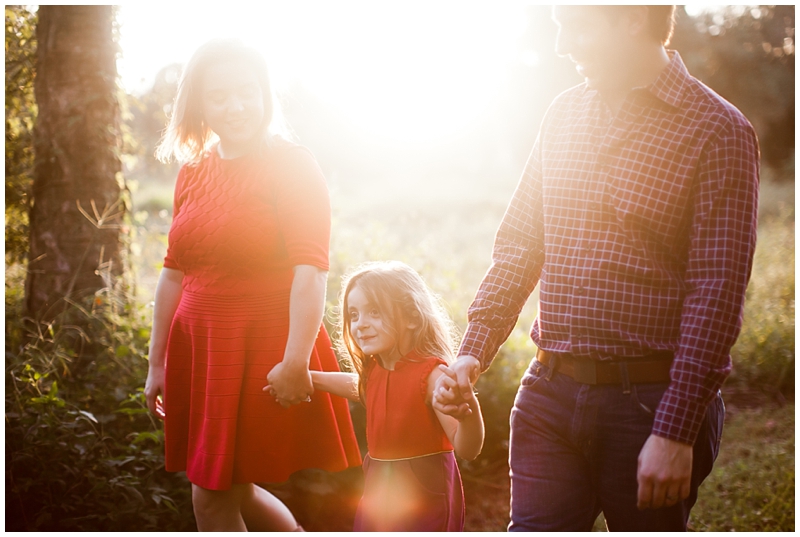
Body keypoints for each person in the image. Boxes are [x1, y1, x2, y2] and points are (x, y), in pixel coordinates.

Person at [434, 5, 759, 532]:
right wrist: (473, 350)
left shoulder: (718, 130)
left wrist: (675, 431)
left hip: (649, 404)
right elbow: (520, 244)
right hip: (548, 391)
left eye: (577, 27)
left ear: (631, 20)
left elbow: (716, 293)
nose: (563, 46)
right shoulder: (562, 113)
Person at [144, 38, 361, 532]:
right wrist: (157, 362)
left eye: (246, 91)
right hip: (201, 352)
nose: (235, 106)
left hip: (260, 350)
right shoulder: (193, 170)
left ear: (264, 94)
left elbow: (312, 270)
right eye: (218, 96)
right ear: (199, 103)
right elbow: (174, 272)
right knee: (233, 486)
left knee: (212, 498)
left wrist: (295, 359)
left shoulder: (293, 163)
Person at [270, 261, 484, 531]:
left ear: (411, 317)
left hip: (425, 496)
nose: (360, 324)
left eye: (374, 311)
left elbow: (468, 449)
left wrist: (469, 413)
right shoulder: (375, 372)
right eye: (354, 314)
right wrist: (307, 378)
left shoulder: (434, 376)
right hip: (378, 491)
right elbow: (358, 386)